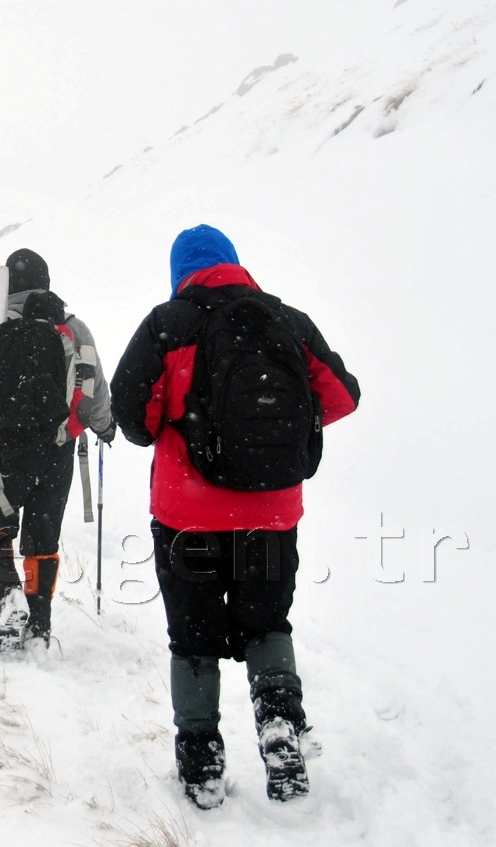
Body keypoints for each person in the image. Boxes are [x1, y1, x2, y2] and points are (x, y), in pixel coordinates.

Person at [110, 224, 360, 809]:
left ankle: (200, 764)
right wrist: (276, 428)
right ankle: (279, 726)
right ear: (234, 264)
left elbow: (131, 411)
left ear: (181, 271)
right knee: (267, 624)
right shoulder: (287, 322)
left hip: (186, 517)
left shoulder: (167, 324)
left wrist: (179, 421)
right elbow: (342, 395)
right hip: (271, 515)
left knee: (193, 637)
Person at [0, 249, 114, 653]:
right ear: (46, 281)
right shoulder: (73, 328)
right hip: (57, 450)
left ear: (6, 283)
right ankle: (40, 625)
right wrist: (105, 426)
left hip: (1, 453)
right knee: (42, 541)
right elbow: (94, 388)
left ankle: (7, 596)